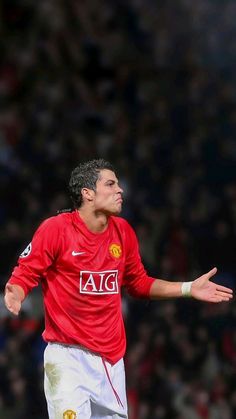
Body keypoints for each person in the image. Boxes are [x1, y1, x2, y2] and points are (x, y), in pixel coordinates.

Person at [4, 159, 233, 419]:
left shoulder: (123, 232)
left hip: (111, 362)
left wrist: (188, 288)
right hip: (68, 357)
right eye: (111, 184)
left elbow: (138, 283)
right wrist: (18, 291)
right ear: (87, 193)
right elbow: (27, 271)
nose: (120, 190)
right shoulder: (56, 229)